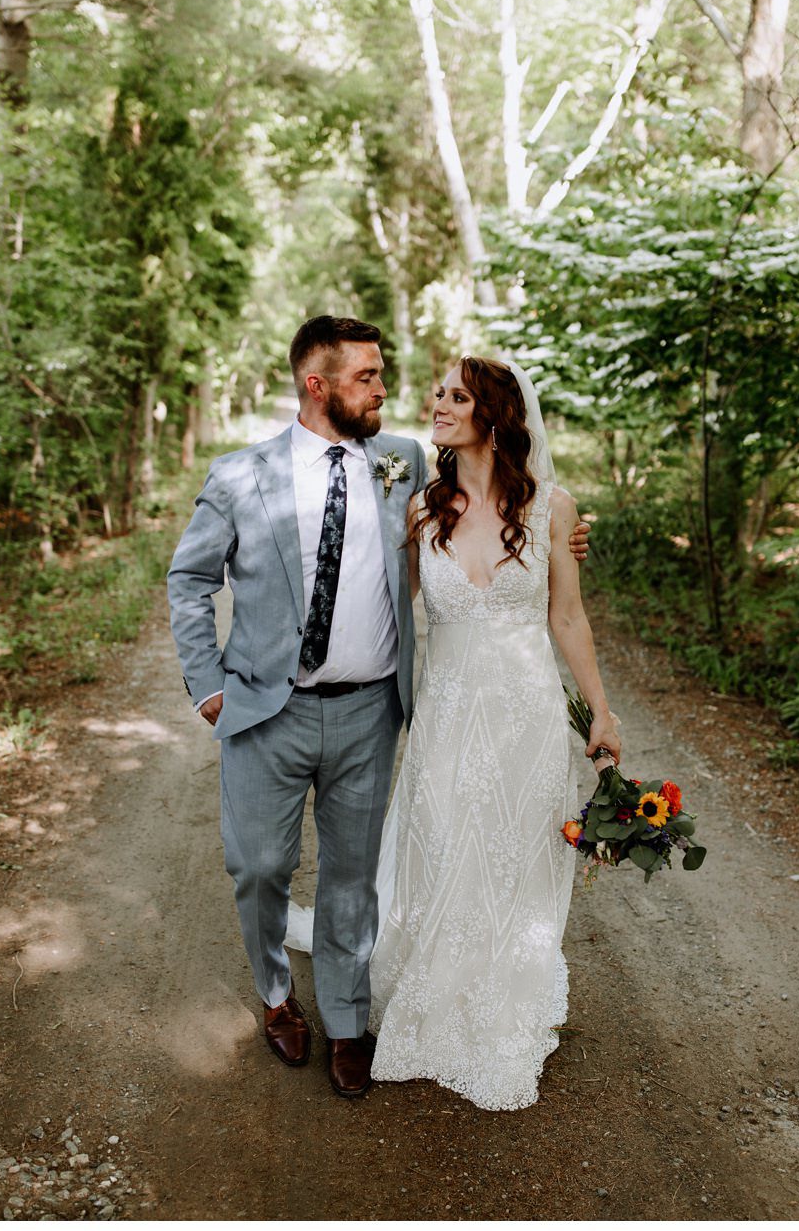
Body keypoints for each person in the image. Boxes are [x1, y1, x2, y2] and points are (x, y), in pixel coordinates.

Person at [168, 317, 588, 1100]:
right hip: (266, 710)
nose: (387, 391)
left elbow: (488, 512)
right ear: (316, 384)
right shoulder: (239, 477)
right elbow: (190, 583)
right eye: (367, 378)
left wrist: (564, 537)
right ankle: (273, 996)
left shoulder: (400, 463)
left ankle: (350, 1020)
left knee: (355, 878)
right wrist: (208, 682)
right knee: (258, 866)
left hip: (369, 710)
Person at [299, 353, 616, 1111]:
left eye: (456, 396)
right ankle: (432, 992)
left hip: (527, 715)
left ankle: (503, 996)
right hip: (444, 714)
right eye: (438, 393)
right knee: (441, 845)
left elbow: (566, 616)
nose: (437, 405)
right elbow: (380, 605)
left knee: (515, 859)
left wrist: (601, 711)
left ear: (495, 416)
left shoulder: (553, 510)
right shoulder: (419, 508)